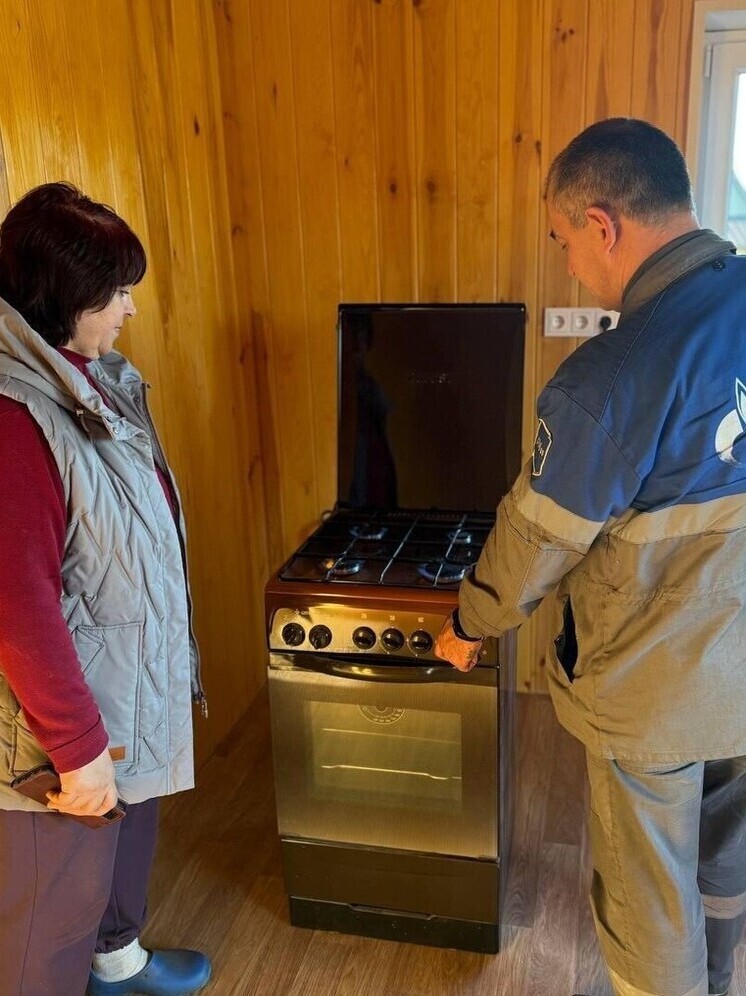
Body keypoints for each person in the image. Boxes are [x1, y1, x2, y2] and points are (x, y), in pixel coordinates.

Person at [434, 118, 746, 996]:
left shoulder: (611, 376)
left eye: (566, 240)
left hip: (657, 690)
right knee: (727, 855)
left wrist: (469, 623)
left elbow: (534, 540)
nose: (570, 264)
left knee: (648, 894)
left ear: (603, 224)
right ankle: (722, 980)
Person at [0, 182, 211, 995]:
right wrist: (76, 743)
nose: (128, 310)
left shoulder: (91, 377)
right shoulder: (16, 416)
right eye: (116, 293)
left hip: (122, 681)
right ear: (64, 297)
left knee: (123, 859)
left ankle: (118, 964)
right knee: (45, 926)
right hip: (64, 718)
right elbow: (18, 602)